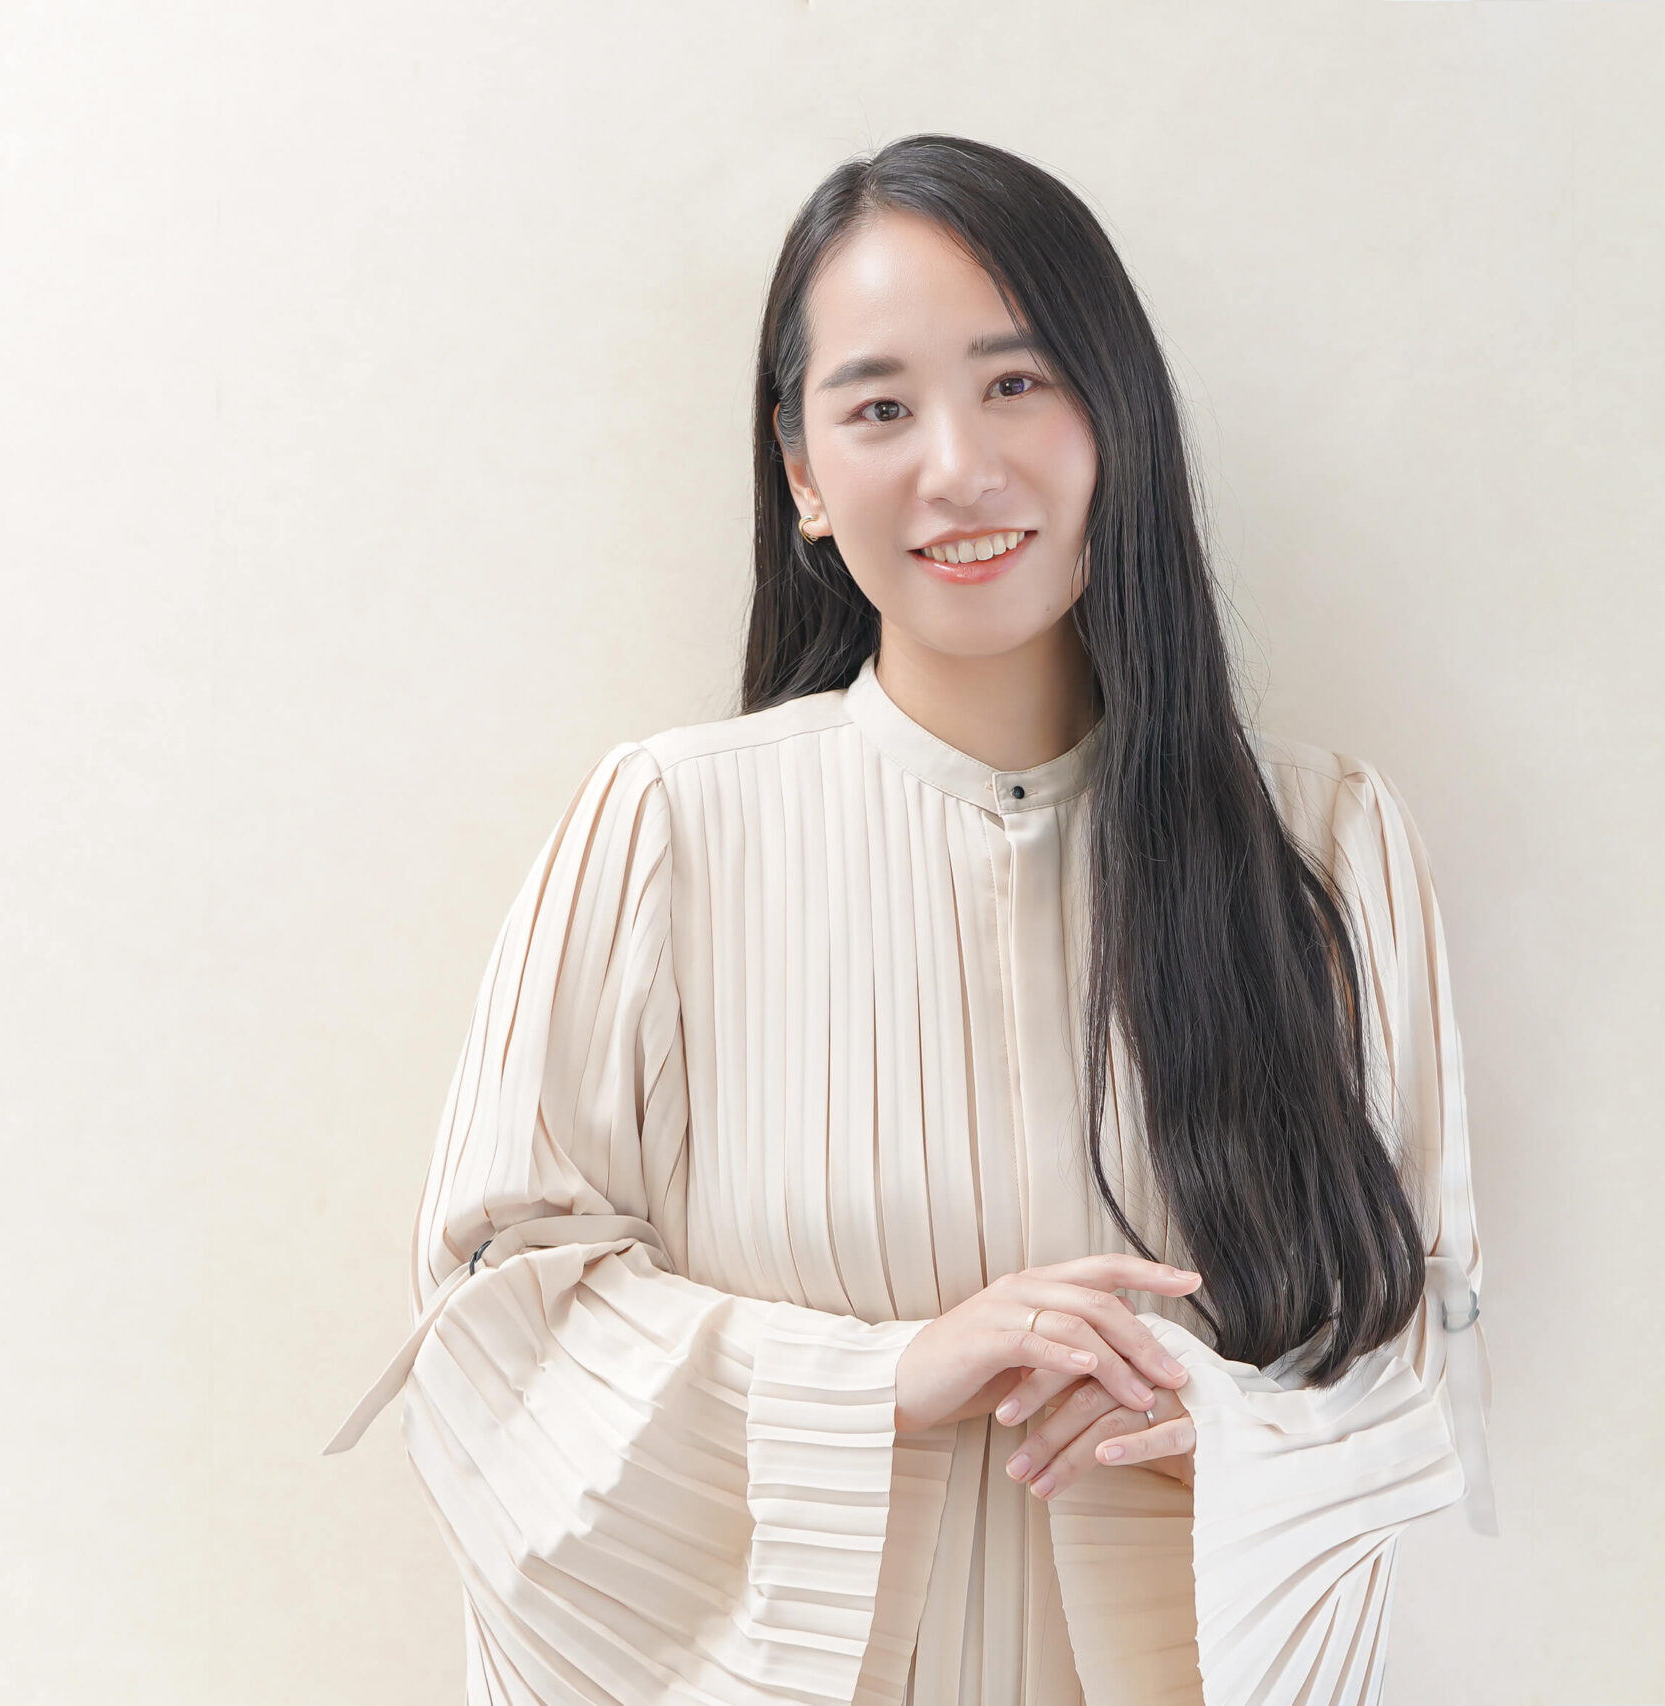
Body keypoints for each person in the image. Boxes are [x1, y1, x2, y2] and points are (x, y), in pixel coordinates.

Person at [324, 132, 1496, 1706]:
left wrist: (1219, 1420)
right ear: (803, 473)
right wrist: (883, 1376)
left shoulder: (1326, 845)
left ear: (1118, 415)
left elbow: (1420, 1343)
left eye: (1018, 382)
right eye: (880, 408)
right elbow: (496, 1327)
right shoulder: (666, 827)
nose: (958, 466)